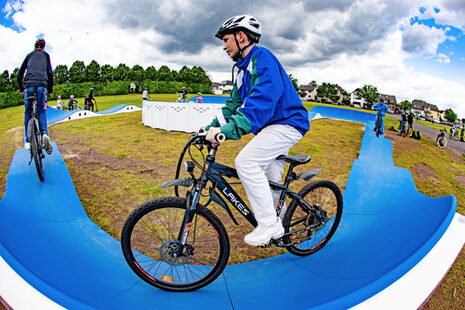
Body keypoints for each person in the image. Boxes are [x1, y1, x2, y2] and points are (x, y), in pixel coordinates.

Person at [205, 15, 310, 247]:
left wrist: (227, 132)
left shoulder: (263, 59)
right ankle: (280, 226)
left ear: (240, 36)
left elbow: (260, 104)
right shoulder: (242, 72)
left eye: (226, 40)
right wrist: (208, 129)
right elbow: (231, 107)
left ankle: (268, 225)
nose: (224, 46)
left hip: (287, 123)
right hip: (271, 128)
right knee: (270, 181)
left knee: (246, 163)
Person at [17, 38, 53, 154]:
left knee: (28, 112)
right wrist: (50, 89)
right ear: (43, 47)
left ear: (34, 47)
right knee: (41, 111)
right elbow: (50, 73)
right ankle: (44, 134)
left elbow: (19, 74)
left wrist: (21, 88)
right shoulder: (46, 55)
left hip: (29, 86)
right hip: (42, 84)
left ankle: (27, 141)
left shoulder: (29, 55)